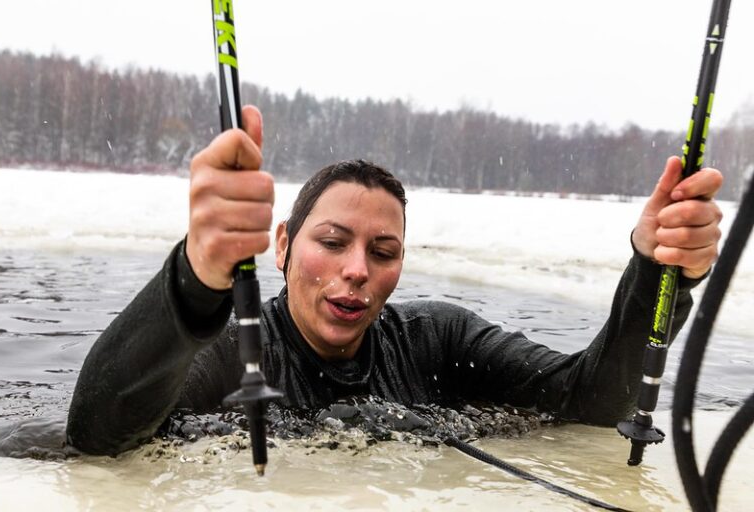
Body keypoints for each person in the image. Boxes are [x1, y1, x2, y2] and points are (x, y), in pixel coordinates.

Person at [66, 106, 724, 456]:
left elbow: (592, 402)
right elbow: (98, 434)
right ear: (284, 246)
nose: (358, 269)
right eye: (332, 242)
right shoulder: (234, 351)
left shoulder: (437, 339)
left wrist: (653, 267)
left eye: (384, 250)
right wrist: (196, 277)